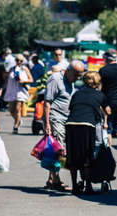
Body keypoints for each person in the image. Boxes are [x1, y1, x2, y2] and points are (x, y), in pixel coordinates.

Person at [65, 71, 108, 195]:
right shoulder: (100, 95)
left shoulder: (76, 94)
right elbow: (108, 111)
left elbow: (72, 108)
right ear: (97, 82)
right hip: (87, 125)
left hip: (71, 125)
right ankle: (88, 187)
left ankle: (74, 187)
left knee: (72, 156)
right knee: (87, 156)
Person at [44, 60, 84, 191]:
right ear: (68, 71)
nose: (78, 78)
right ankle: (55, 180)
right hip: (55, 118)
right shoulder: (55, 79)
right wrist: (47, 123)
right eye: (76, 75)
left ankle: (51, 179)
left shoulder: (70, 81)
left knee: (57, 149)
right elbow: (47, 102)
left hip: (65, 119)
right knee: (60, 150)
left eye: (80, 76)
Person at [3, 54, 33, 134]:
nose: (19, 62)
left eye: (21, 61)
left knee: (17, 109)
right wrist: (2, 89)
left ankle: (15, 126)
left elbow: (31, 80)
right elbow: (7, 81)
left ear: (23, 61)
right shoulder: (12, 69)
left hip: (21, 92)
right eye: (17, 60)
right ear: (15, 61)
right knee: (11, 110)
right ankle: (18, 120)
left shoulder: (25, 69)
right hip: (12, 91)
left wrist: (23, 81)